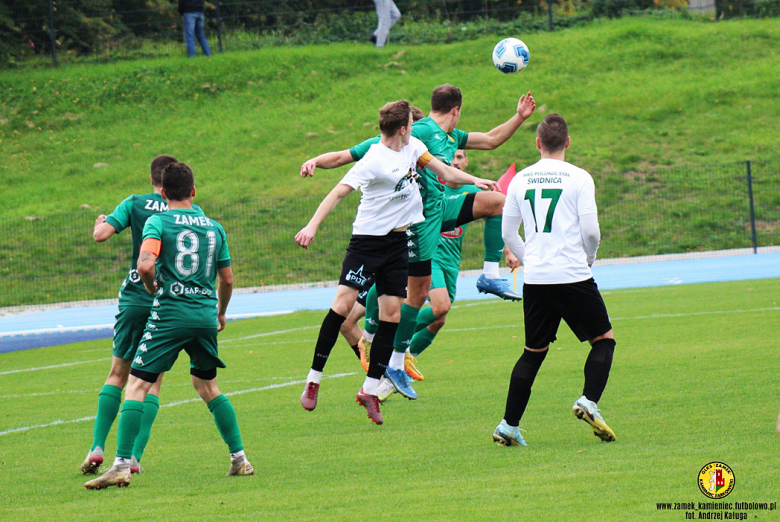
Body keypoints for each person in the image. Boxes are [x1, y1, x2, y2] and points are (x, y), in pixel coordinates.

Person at [300, 85, 534, 400]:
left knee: (497, 202)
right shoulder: (415, 134)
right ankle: (382, 348)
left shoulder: (450, 137)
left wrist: (519, 117)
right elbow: (348, 154)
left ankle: (489, 275)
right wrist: (316, 159)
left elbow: (491, 140)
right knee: (419, 296)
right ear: (457, 109)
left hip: (441, 210)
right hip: (418, 221)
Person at [85, 162, 252, 489]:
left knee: (135, 385)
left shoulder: (157, 220)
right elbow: (228, 279)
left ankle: (120, 464)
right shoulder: (213, 227)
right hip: (204, 314)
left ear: (162, 192)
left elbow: (145, 264)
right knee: (208, 387)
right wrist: (220, 313)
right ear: (193, 191)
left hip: (171, 314)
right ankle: (240, 459)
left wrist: (152, 288)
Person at [493, 113, 617, 447]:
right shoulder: (579, 178)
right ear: (567, 142)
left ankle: (508, 425)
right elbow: (590, 231)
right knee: (603, 340)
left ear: (537, 143)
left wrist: (529, 257)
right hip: (572, 274)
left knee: (533, 352)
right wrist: (588, 259)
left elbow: (508, 233)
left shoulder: (520, 180)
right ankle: (589, 401)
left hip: (537, 279)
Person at [376, 150, 520, 400]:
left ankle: (402, 364)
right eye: (450, 158)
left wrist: (508, 250)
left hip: (452, 263)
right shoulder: (433, 191)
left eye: (460, 157)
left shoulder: (468, 197)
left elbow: (497, 217)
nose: (455, 161)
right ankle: (394, 347)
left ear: (466, 164)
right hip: (429, 258)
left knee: (438, 319)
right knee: (440, 306)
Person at [81, 154, 178, 476]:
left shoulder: (135, 203)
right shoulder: (184, 210)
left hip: (136, 294)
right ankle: (133, 456)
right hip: (166, 299)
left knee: (117, 374)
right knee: (152, 382)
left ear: (152, 179)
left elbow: (101, 235)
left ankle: (97, 447)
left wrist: (98, 223)